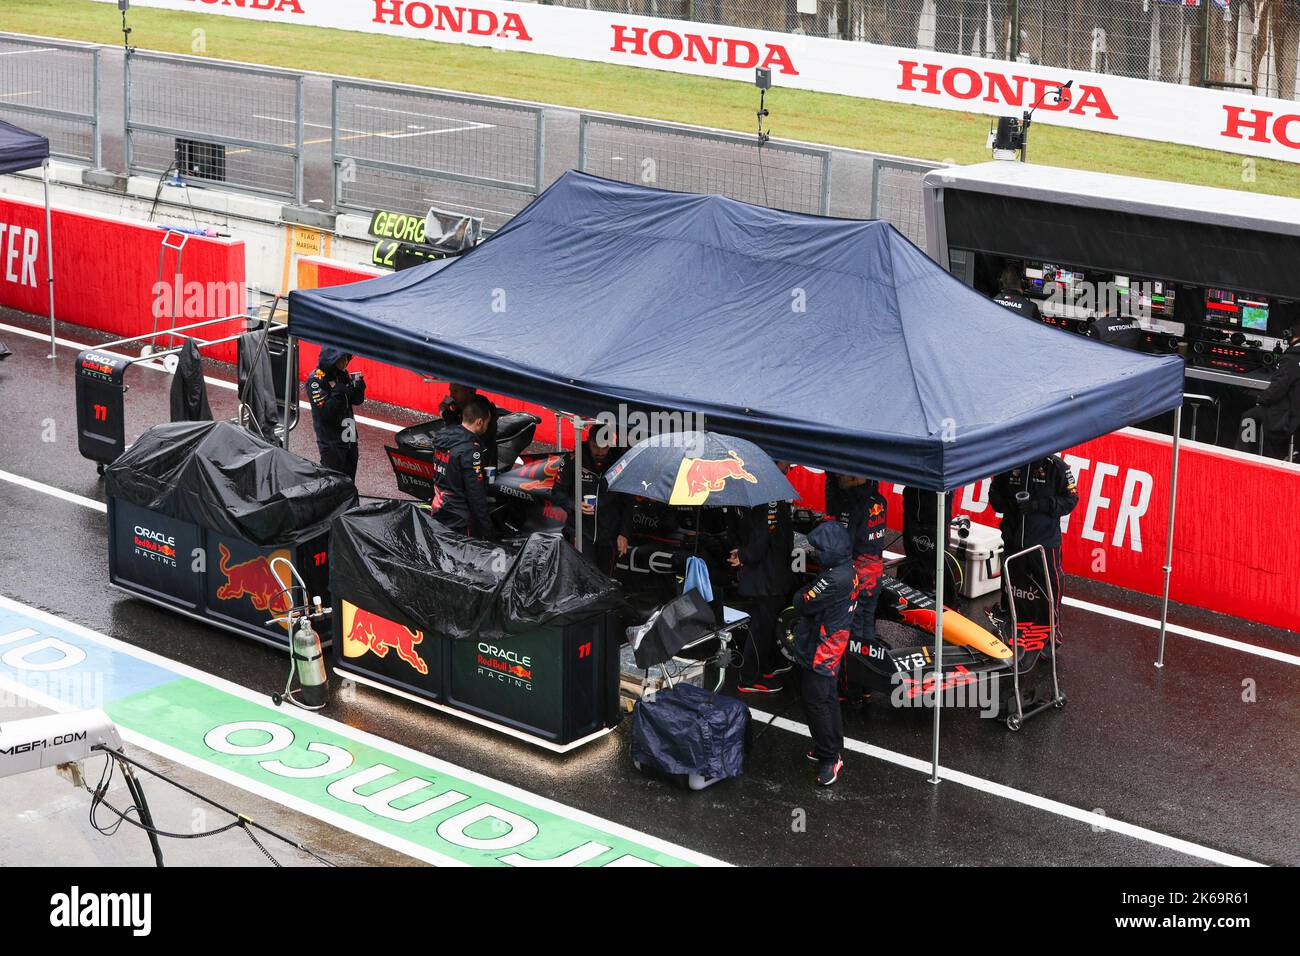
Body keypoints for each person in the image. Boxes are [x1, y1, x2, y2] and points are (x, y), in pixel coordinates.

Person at [792, 520, 859, 788]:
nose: (813, 552)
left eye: (818, 548)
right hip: (832, 641)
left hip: (823, 647)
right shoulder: (846, 569)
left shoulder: (833, 578)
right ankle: (828, 748)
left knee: (816, 700)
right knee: (827, 697)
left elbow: (802, 602)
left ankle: (830, 758)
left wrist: (801, 592)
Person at [988, 455, 1079, 649]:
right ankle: (1009, 625)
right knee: (1012, 586)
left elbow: (1071, 500)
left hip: (1043, 542)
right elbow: (995, 498)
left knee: (1049, 586)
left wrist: (1040, 505)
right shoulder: (1009, 462)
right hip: (1013, 540)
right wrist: (1011, 504)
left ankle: (1052, 635)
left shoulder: (1057, 467)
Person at [727, 461, 795, 695]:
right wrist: (745, 555)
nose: (790, 467)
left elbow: (735, 531)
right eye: (786, 463)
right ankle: (748, 678)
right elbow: (760, 542)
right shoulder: (770, 496)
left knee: (765, 625)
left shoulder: (742, 491)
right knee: (761, 627)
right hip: (767, 575)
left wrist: (740, 553)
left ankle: (764, 667)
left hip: (760, 572)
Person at [551, 429, 630, 573]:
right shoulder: (573, 459)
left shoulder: (620, 461)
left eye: (604, 447)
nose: (600, 452)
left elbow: (627, 501)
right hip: (581, 532)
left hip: (609, 534)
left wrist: (624, 533)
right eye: (595, 447)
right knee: (581, 577)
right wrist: (574, 504)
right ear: (588, 441)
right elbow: (556, 493)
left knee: (605, 580)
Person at [825, 473, 887, 645]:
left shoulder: (853, 505)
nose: (838, 478)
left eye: (842, 475)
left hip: (857, 579)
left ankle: (856, 667)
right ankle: (868, 664)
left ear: (854, 477)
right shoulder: (881, 500)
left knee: (855, 628)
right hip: (875, 576)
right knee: (868, 622)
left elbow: (844, 544)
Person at [429, 396, 496, 539]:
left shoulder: (442, 438)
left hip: (438, 509)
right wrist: (488, 531)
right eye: (487, 423)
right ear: (479, 422)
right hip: (458, 520)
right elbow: (475, 493)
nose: (487, 426)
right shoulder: (470, 450)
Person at [1235, 331, 1300, 460]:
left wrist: (1260, 399)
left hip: (1288, 416)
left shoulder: (1291, 358)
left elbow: (1277, 390)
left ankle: (1243, 457)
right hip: (1296, 413)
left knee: (1249, 417)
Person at [307, 347, 366, 481]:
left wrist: (359, 388)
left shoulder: (342, 374)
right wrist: (339, 391)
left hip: (349, 437)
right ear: (332, 359)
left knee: (349, 480)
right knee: (333, 482)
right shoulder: (316, 380)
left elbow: (356, 400)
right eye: (342, 358)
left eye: (347, 357)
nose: (345, 362)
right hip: (331, 440)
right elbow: (326, 414)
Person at [439, 382, 498, 469]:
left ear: (470, 392)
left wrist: (446, 413)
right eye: (451, 391)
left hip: (479, 467)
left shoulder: (479, 410)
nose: (452, 396)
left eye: (456, 391)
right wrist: (457, 409)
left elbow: (461, 436)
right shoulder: (466, 406)